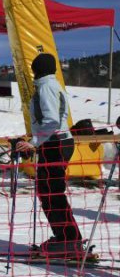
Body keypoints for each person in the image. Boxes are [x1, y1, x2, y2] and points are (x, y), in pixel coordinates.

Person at [16, 53, 83, 259]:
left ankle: (68, 239)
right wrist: (35, 140)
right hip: (55, 142)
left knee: (51, 192)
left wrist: (34, 142)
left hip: (55, 143)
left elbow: (52, 120)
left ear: (37, 70)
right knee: (49, 191)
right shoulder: (50, 85)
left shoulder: (46, 87)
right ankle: (67, 237)